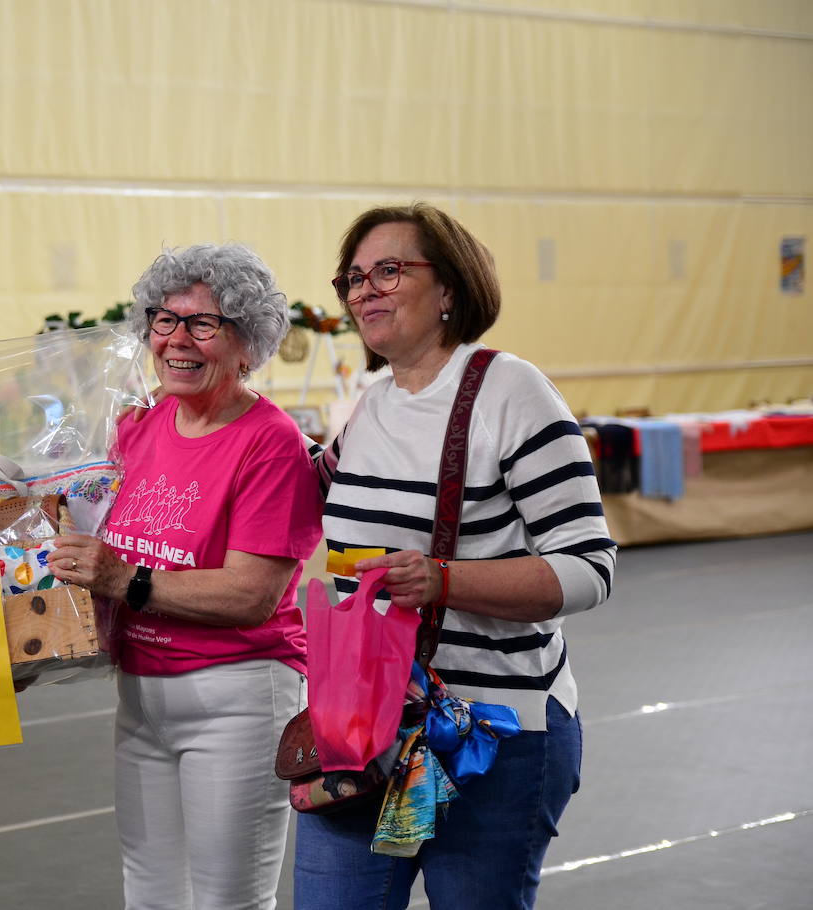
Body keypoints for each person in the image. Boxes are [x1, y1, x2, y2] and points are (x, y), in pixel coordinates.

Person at [295, 203, 617, 910]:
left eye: (388, 270)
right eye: (353, 278)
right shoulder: (373, 403)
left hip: (491, 739)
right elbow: (291, 495)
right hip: (365, 729)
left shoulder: (511, 391)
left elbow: (590, 569)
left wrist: (442, 580)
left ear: (449, 290)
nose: (364, 291)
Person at [49, 242, 324, 910]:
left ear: (246, 344)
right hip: (140, 697)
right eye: (163, 320)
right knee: (150, 899)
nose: (177, 339)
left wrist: (126, 580)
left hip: (235, 699)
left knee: (227, 901)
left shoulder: (271, 442)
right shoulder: (134, 426)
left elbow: (251, 595)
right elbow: (82, 526)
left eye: (203, 323)